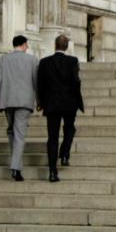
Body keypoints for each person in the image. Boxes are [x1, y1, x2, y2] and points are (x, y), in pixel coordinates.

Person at [37, 34, 84, 182]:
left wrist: (41, 102)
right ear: (67, 46)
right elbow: (76, 82)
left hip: (52, 104)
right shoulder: (72, 61)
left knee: (52, 138)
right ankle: (64, 153)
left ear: (54, 45)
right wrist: (78, 100)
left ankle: (52, 171)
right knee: (69, 129)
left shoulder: (44, 62)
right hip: (69, 103)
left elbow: (40, 85)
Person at [0, 35, 38, 182]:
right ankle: (16, 168)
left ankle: (15, 164)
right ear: (24, 45)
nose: (28, 47)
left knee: (12, 131)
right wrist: (40, 100)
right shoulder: (32, 60)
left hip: (7, 100)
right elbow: (36, 82)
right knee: (18, 134)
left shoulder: (3, 59)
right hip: (24, 101)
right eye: (27, 45)